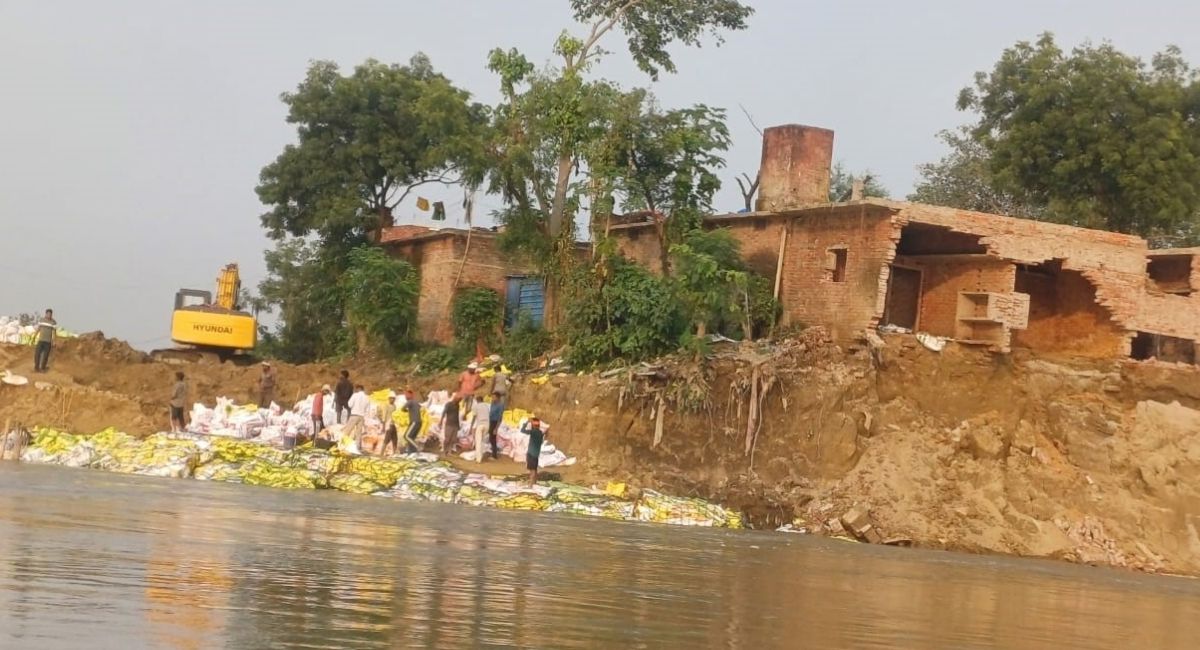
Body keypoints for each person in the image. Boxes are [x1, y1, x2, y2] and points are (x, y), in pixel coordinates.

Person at [520, 417, 548, 486]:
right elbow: (542, 440)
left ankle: (531, 484)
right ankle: (534, 482)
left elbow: (522, 430)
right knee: (534, 469)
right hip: (536, 454)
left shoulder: (533, 432)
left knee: (532, 470)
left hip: (531, 453)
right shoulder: (540, 433)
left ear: (533, 425)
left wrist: (526, 422)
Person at [468, 392, 491, 463]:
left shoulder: (476, 406)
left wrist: (471, 427)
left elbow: (474, 417)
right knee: (482, 441)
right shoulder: (486, 406)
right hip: (487, 425)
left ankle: (478, 459)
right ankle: (481, 455)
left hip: (480, 425)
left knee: (478, 441)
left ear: (477, 400)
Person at [346, 385, 371, 451]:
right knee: (358, 433)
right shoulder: (367, 397)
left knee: (347, 431)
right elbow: (367, 409)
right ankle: (357, 448)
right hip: (361, 416)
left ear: (358, 389)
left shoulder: (355, 395)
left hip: (354, 415)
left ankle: (342, 444)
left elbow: (349, 404)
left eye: (356, 389)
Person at [402, 390, 423, 454]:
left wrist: (407, 411)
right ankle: (411, 451)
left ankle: (417, 447)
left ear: (410, 396)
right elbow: (420, 408)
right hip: (419, 422)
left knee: (406, 436)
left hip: (414, 421)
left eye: (406, 395)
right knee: (411, 437)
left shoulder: (410, 402)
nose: (405, 396)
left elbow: (402, 408)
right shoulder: (416, 402)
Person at [487, 391, 505, 460]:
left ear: (498, 398)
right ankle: (493, 451)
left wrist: (496, 428)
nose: (492, 398)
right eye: (492, 397)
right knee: (490, 438)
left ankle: (494, 455)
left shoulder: (500, 405)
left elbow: (500, 417)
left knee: (493, 438)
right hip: (491, 422)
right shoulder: (492, 404)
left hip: (495, 423)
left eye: (494, 397)